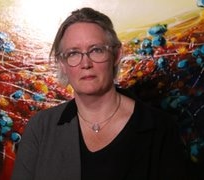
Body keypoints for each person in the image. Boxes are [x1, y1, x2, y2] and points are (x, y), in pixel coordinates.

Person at [12, 7, 190, 180]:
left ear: (116, 54)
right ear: (62, 64)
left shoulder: (159, 128)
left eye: (96, 50)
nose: (85, 63)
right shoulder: (41, 128)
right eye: (73, 53)